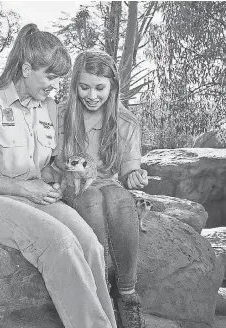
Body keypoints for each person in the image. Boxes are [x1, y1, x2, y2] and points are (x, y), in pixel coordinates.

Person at [0, 24, 117, 328]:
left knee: (90, 245)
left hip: (34, 196)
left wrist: (64, 173)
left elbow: (44, 168)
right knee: (61, 242)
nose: (55, 86)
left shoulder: (49, 107)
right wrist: (25, 189)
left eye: (58, 79)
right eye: (50, 77)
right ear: (27, 68)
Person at [53, 49, 149, 328]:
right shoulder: (58, 115)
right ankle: (99, 286)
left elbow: (129, 171)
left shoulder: (126, 122)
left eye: (99, 88)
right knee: (92, 199)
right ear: (74, 86)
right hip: (70, 183)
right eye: (84, 87)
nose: (91, 95)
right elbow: (47, 161)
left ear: (113, 87)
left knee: (120, 199)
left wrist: (135, 178)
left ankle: (128, 294)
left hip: (107, 182)